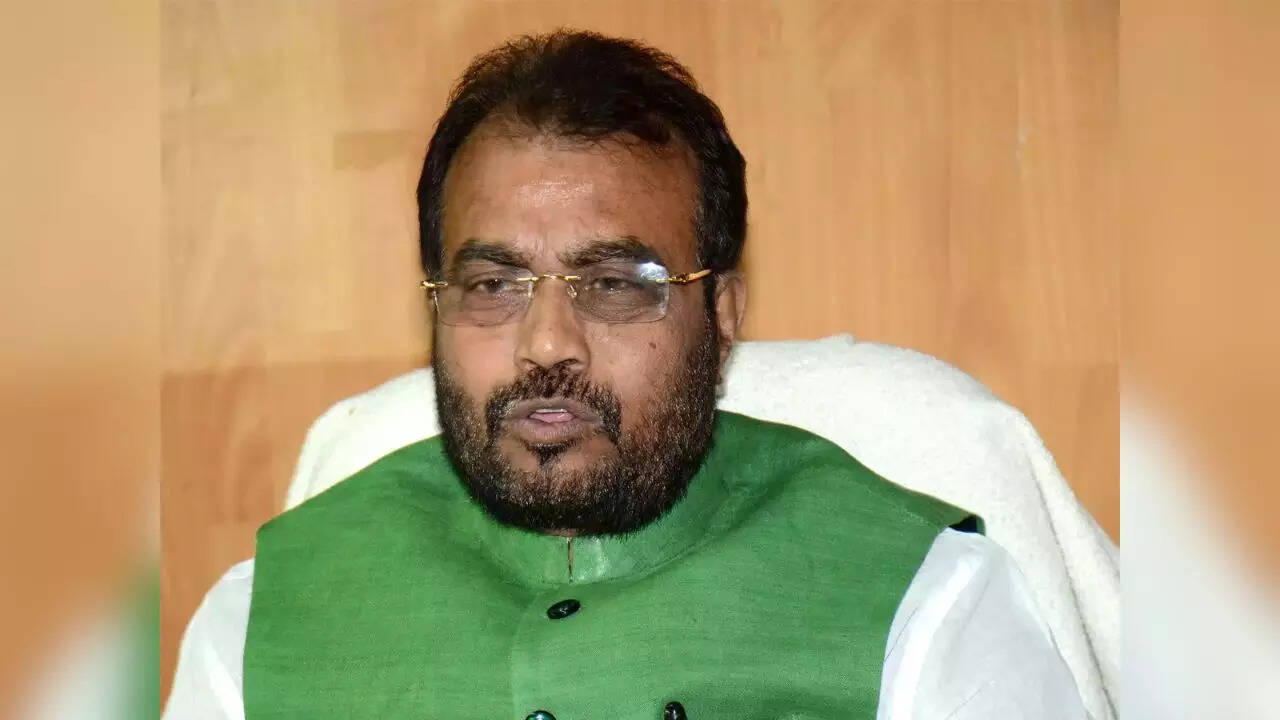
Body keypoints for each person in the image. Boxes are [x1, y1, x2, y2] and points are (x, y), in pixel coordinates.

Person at [165, 30, 1087, 720]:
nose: (546, 345)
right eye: (492, 285)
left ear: (721, 315)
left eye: (615, 284)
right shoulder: (262, 622)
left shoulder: (920, 598)